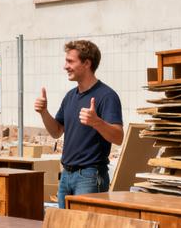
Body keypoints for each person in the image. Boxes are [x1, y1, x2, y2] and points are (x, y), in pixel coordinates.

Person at [33, 40, 123, 209]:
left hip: (90, 177)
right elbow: (56, 132)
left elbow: (118, 137)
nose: (65, 66)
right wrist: (44, 112)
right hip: (66, 175)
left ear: (87, 63)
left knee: (85, 222)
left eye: (70, 61)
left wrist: (97, 122)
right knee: (63, 222)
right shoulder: (70, 96)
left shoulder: (107, 96)